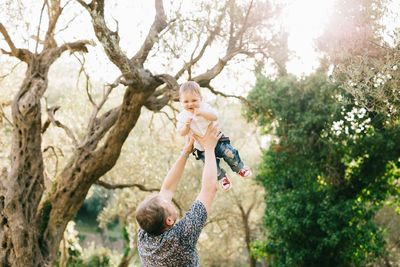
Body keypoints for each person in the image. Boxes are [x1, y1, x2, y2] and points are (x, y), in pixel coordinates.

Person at [135, 123, 221, 266]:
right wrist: (209, 148)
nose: (167, 199)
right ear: (169, 220)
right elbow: (209, 189)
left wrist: (185, 153)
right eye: (166, 203)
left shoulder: (144, 236)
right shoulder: (181, 237)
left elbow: (167, 189)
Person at [177, 81, 251, 191]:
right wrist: (186, 127)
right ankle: (222, 178)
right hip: (201, 148)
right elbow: (181, 132)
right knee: (212, 168)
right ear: (181, 102)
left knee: (229, 153)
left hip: (218, 140)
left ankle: (239, 168)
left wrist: (202, 113)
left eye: (194, 100)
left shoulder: (205, 107)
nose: (190, 104)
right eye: (186, 101)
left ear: (201, 98)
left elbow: (214, 117)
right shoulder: (182, 116)